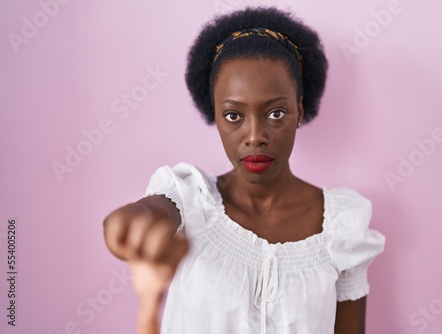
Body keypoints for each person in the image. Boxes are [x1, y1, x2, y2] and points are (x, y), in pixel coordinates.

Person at [103, 6, 385, 334]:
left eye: (276, 113)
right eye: (234, 115)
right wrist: (130, 224)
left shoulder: (343, 227)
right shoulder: (189, 201)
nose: (255, 136)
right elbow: (148, 213)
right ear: (216, 116)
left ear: (299, 111)